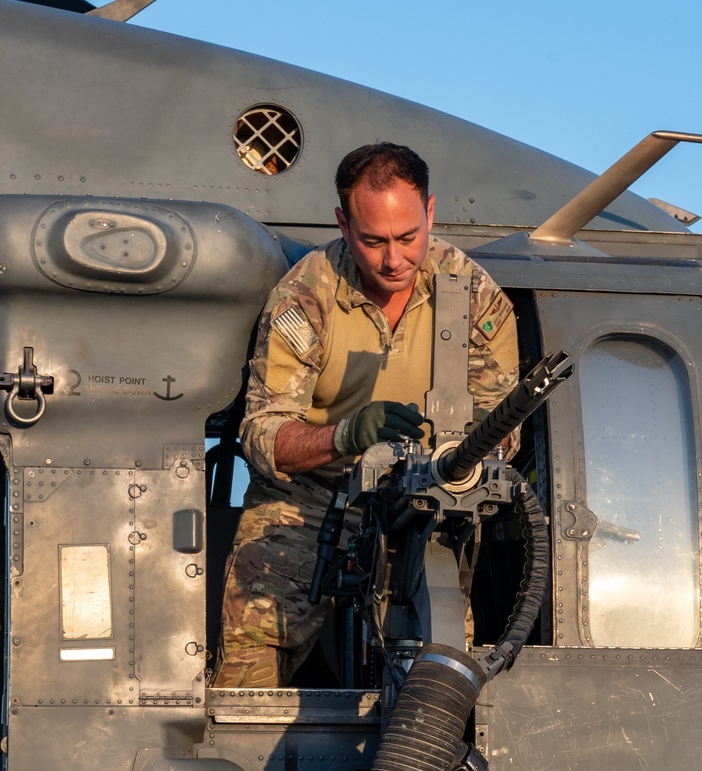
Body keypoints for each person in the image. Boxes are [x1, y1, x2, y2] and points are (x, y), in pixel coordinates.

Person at [214, 142, 520, 689]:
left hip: (427, 502)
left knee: (443, 679)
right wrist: (347, 435)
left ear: (430, 213)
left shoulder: (476, 299)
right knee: (251, 669)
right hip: (309, 500)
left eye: (408, 237)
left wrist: (456, 463)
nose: (393, 259)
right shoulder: (307, 295)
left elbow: (503, 435)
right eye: (372, 240)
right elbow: (261, 436)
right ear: (342, 223)